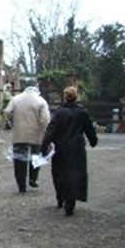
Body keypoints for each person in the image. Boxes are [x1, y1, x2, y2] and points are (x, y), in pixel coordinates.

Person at [42, 85, 98, 216]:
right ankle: (70, 202)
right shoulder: (82, 113)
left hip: (61, 148)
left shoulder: (59, 113)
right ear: (76, 97)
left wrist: (44, 146)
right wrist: (93, 141)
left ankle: (60, 197)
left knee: (60, 174)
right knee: (75, 175)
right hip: (77, 149)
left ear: (64, 97)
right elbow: (89, 129)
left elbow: (51, 130)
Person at [4, 77, 50, 193]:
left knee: (19, 159)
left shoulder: (16, 99)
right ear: (36, 87)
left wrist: (13, 122)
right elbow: (45, 119)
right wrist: (44, 130)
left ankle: (21, 185)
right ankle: (33, 179)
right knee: (36, 158)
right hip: (36, 135)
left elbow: (7, 112)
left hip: (19, 134)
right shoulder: (41, 101)